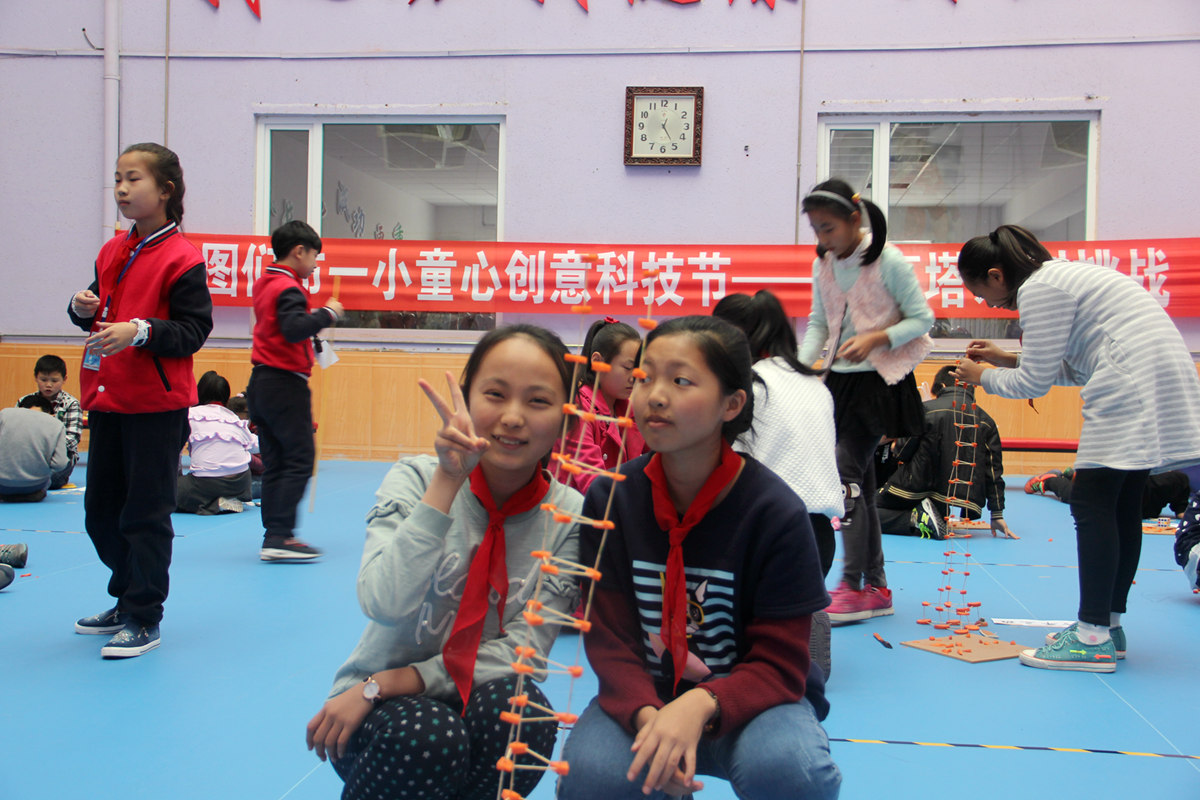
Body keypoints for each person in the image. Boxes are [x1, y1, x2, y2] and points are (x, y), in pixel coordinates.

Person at [559, 316, 841, 800]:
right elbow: (610, 640)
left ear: (732, 404)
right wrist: (650, 720)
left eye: (681, 380)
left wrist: (700, 705)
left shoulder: (775, 513)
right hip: (647, 699)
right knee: (593, 776)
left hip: (753, 704)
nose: (655, 395)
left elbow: (781, 662)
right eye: (645, 377)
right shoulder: (612, 500)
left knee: (791, 770)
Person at [305, 325, 581, 800]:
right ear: (466, 400)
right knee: (431, 736)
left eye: (538, 401)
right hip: (375, 712)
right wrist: (447, 483)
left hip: (403, 687)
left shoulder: (569, 516)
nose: (512, 417)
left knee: (526, 716)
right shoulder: (415, 479)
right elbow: (383, 602)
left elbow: (526, 652)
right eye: (495, 394)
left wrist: (398, 681)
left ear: (567, 421)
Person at [952, 224, 1200, 672]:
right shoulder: (1064, 276)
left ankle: (1091, 637)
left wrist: (981, 377)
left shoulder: (1039, 289)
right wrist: (1006, 360)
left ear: (995, 275)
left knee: (1092, 502)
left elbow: (1034, 384)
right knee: (1122, 505)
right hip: (1150, 374)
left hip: (1129, 382)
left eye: (980, 293)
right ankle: (1108, 626)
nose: (986, 304)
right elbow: (1074, 367)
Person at [67, 142, 213, 658]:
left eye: (134, 179)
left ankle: (144, 615)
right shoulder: (112, 250)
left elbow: (194, 330)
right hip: (108, 401)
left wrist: (142, 330)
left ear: (165, 190)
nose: (122, 189)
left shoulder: (183, 258)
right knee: (100, 512)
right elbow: (98, 311)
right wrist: (80, 307)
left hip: (156, 407)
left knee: (146, 515)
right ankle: (126, 596)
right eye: (117, 179)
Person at [798, 178, 935, 625]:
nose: (823, 238)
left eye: (829, 228)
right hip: (839, 381)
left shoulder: (888, 260)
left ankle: (854, 585)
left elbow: (923, 318)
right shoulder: (824, 263)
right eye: (816, 229)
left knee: (845, 476)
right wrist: (799, 367)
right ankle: (875, 586)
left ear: (854, 219)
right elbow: (819, 323)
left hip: (881, 381)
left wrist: (877, 337)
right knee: (863, 483)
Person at [713, 289, 843, 576]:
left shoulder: (749, 387)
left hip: (768, 528)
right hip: (820, 536)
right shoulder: (816, 386)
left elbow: (723, 464)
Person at [247, 220, 343, 562]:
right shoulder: (288, 288)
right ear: (299, 251)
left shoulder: (265, 283)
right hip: (284, 385)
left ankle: (274, 534)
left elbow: (284, 329)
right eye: (314, 256)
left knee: (276, 463)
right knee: (300, 458)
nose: (315, 264)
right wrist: (327, 314)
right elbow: (292, 328)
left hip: (262, 382)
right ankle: (281, 535)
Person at [877, 365, 1016, 539]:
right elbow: (994, 472)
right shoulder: (987, 421)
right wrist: (997, 514)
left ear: (942, 386)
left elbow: (901, 451)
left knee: (858, 511)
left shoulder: (926, 410)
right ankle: (924, 516)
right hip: (952, 499)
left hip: (914, 487)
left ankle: (915, 518)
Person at [558, 317, 648, 494]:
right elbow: (593, 483)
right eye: (627, 368)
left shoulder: (629, 410)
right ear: (598, 361)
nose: (635, 377)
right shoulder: (578, 410)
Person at [175, 371, 257, 515]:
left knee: (165, 493)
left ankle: (213, 503)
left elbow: (175, 449)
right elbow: (255, 445)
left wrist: (177, 477)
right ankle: (231, 498)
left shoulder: (190, 415)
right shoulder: (233, 418)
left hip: (207, 483)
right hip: (241, 483)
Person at [16, 354, 83, 489]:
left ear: (64, 379)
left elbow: (72, 439)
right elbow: (13, 433)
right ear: (36, 377)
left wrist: (45, 446)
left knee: (50, 479)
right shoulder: (24, 402)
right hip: (27, 455)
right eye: (43, 379)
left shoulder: (71, 404)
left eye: (54, 380)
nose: (48, 385)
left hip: (58, 458)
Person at [1027, 467, 1192, 521]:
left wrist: (1181, 510)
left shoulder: (1171, 480)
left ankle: (1072, 475)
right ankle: (1049, 481)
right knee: (1076, 496)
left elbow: (1182, 483)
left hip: (1135, 501)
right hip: (1106, 495)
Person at [0, 395, 69, 502]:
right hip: (33, 487)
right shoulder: (57, 424)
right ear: (51, 414)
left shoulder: (4, 414)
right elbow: (60, 464)